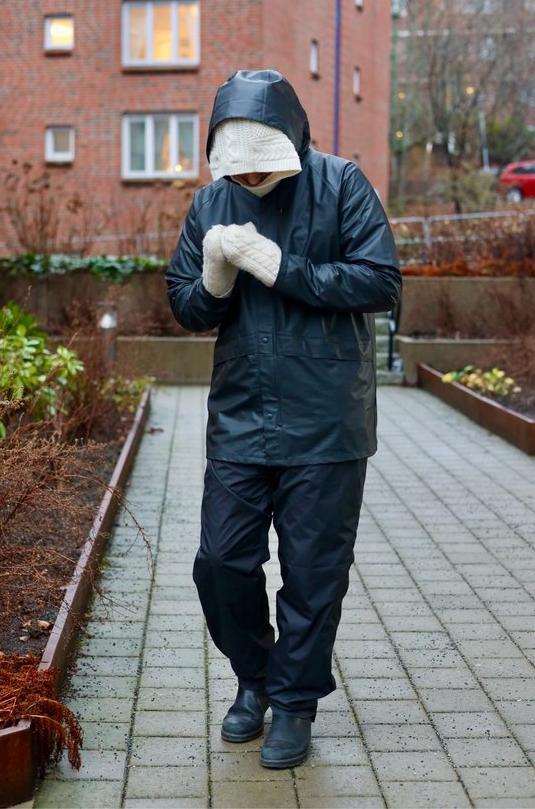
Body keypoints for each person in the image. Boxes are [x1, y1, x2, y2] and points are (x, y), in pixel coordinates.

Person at [165, 69, 401, 769]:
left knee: (312, 572)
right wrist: (210, 280)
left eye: (265, 163)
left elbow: (380, 280)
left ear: (293, 141)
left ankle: (294, 704)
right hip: (242, 415)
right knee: (220, 562)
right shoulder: (211, 202)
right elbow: (184, 306)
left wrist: (280, 265)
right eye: (241, 168)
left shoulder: (341, 185)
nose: (254, 177)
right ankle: (256, 677)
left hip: (327, 421)